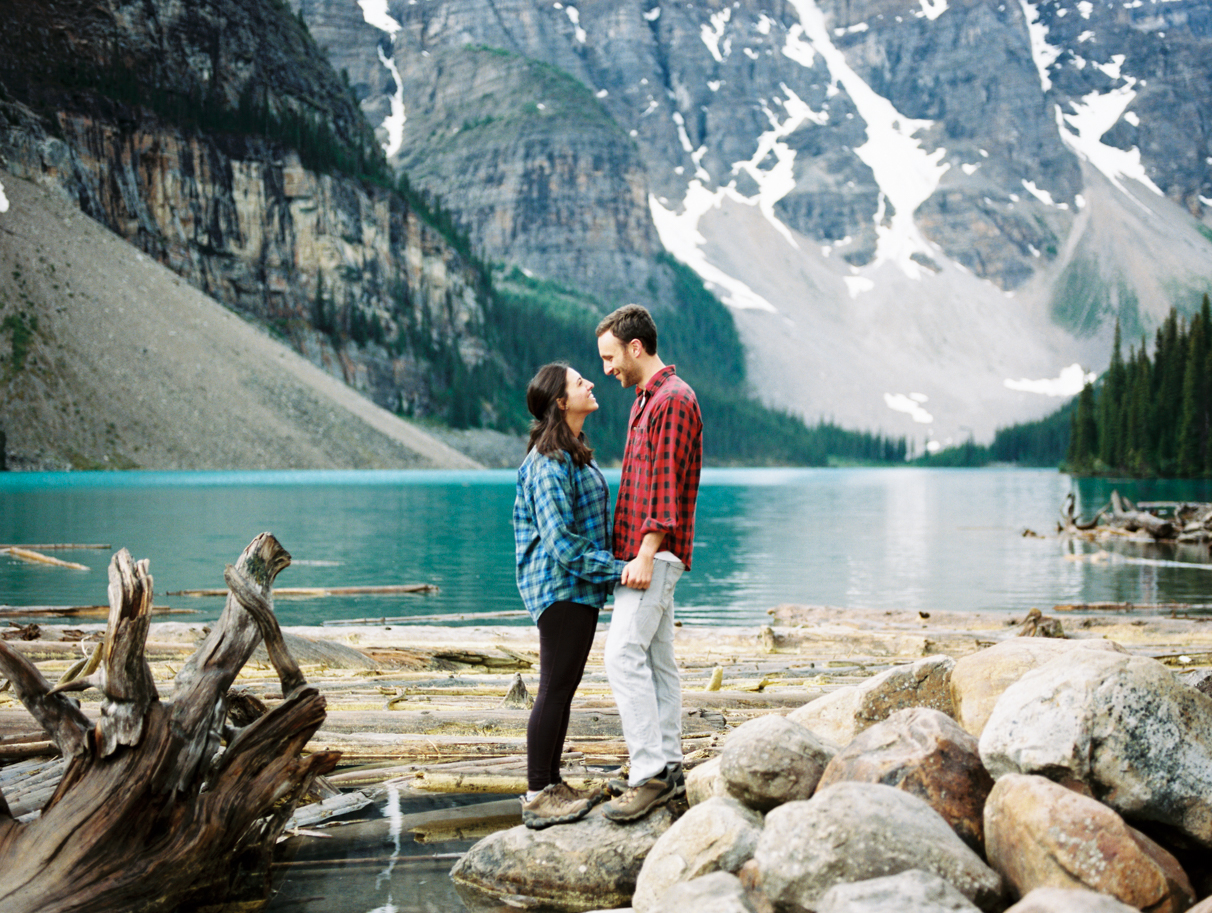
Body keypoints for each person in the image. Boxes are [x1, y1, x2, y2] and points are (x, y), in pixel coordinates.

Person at [595, 303, 703, 822]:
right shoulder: (647, 398)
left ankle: (649, 776)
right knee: (658, 661)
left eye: (610, 356)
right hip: (645, 553)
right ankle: (670, 764)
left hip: (653, 555)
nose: (606, 368)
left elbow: (665, 488)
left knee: (621, 656)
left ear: (635, 347)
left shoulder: (674, 400)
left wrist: (644, 553)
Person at [513, 362, 627, 829]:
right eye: (580, 382)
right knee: (554, 690)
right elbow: (561, 543)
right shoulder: (548, 461)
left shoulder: (571, 453)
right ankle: (538, 791)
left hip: (576, 589)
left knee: (562, 689)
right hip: (559, 588)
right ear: (561, 401)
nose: (591, 383)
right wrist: (620, 570)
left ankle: (551, 783)